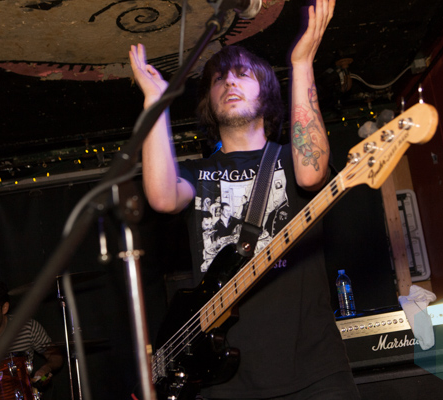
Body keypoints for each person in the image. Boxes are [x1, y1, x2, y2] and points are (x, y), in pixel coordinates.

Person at [129, 0, 360, 398]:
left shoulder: (290, 158)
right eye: (219, 79)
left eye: (242, 74)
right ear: (208, 102)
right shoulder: (197, 173)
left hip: (313, 373)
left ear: (266, 93)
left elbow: (311, 173)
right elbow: (163, 198)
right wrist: (155, 102)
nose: (229, 83)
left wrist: (302, 64)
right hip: (224, 381)